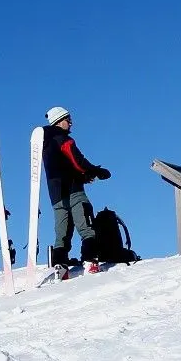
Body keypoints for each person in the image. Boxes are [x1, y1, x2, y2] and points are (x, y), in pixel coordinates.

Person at [42, 106, 111, 276]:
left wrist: (83, 176)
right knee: (86, 226)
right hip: (74, 191)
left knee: (62, 232)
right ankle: (90, 261)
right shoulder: (63, 139)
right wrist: (96, 171)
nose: (71, 123)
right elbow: (77, 161)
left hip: (56, 195)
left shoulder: (45, 143)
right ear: (59, 121)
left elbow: (61, 167)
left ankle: (60, 267)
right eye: (68, 119)